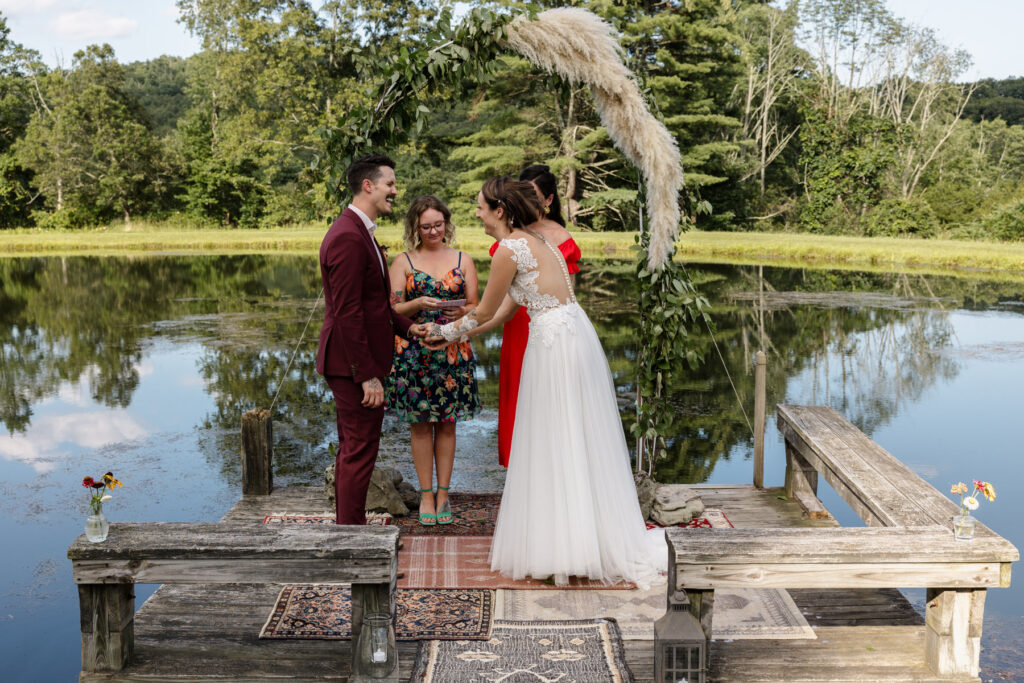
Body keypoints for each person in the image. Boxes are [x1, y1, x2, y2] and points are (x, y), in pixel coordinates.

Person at [426, 177, 663, 587]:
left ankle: (569, 546)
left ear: (500, 210)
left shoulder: (509, 250)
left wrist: (442, 334)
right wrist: (456, 334)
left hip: (554, 346)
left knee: (557, 438)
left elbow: (482, 312)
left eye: (481, 206)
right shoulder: (536, 243)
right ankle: (578, 541)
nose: (477, 212)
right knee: (572, 437)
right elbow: (501, 314)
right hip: (571, 336)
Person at [316, 153, 428, 525]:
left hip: (353, 362)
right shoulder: (348, 236)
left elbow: (374, 305)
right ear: (369, 186)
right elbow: (348, 313)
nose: (395, 191)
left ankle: (348, 527)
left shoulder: (359, 231)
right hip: (351, 365)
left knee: (355, 447)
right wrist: (366, 374)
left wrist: (408, 328)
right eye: (390, 184)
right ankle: (350, 535)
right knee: (359, 449)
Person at [385, 196, 481, 526]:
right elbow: (392, 309)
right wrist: (418, 303)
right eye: (425, 226)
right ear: (415, 227)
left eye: (438, 224)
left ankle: (444, 493)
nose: (433, 231)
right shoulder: (403, 262)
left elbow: (476, 306)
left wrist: (461, 312)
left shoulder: (462, 259)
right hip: (415, 351)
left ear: (446, 223)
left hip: (453, 351)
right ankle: (426, 494)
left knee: (448, 423)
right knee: (421, 425)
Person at [487, 164, 581, 468]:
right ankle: (521, 474)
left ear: (549, 200)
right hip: (515, 324)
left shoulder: (560, 238)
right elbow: (499, 296)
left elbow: (569, 294)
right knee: (518, 395)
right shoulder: (513, 237)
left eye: (533, 195)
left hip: (548, 325)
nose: (525, 200)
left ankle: (552, 469)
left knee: (551, 399)